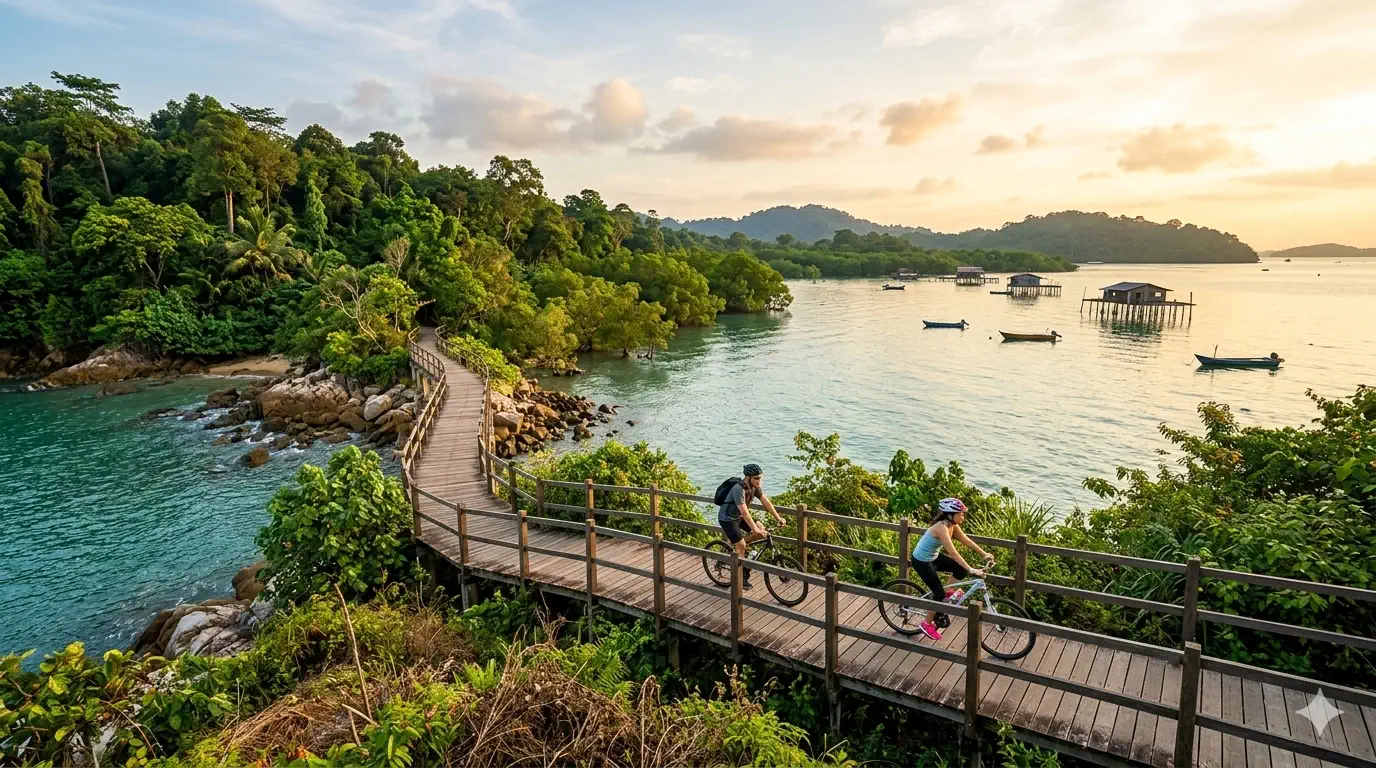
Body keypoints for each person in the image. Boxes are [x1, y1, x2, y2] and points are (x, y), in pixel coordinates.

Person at [910, 497, 996, 641]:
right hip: (921, 561)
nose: (963, 517)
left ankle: (948, 593)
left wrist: (984, 554)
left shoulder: (952, 525)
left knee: (960, 570)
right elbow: (953, 553)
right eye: (960, 514)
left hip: (933, 557)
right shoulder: (941, 528)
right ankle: (926, 624)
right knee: (938, 593)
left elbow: (966, 541)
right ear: (950, 515)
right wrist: (972, 569)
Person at [718, 463, 785, 589]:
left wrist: (778, 518)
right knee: (742, 545)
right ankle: (740, 577)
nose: (760, 481)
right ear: (747, 478)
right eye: (756, 478)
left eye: (760, 478)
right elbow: (745, 512)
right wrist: (754, 528)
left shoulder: (755, 487)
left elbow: (766, 502)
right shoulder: (739, 489)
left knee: (761, 533)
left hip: (739, 517)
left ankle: (733, 545)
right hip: (727, 519)